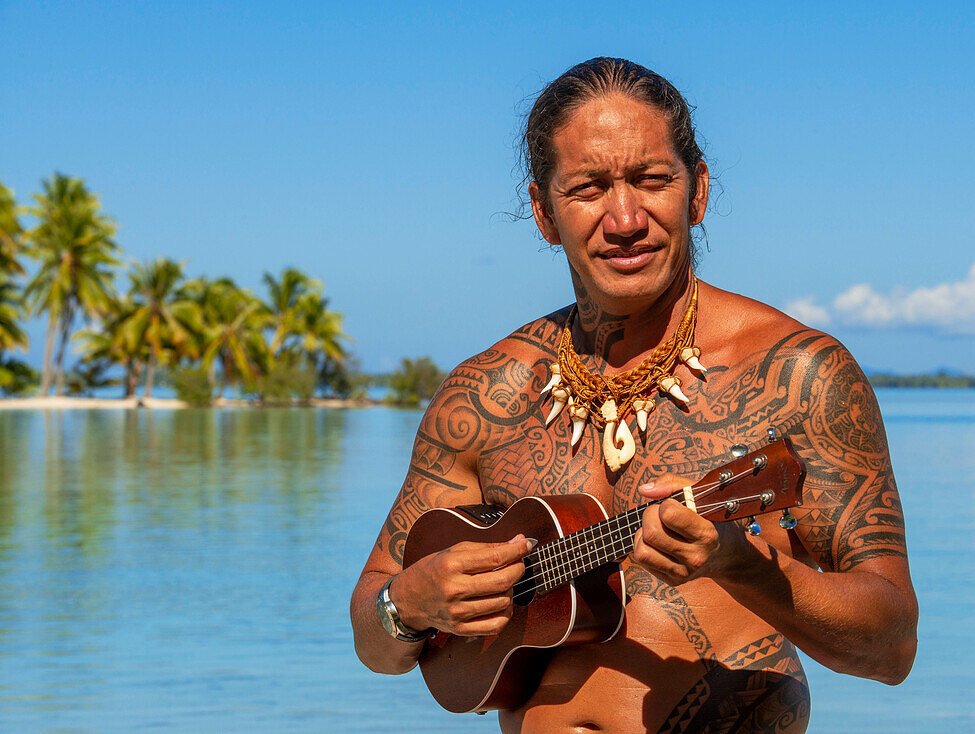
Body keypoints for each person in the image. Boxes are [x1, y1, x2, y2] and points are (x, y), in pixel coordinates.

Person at [351, 57, 918, 733]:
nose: (625, 219)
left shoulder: (798, 374)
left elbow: (893, 647)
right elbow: (374, 641)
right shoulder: (485, 396)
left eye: (652, 180)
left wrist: (746, 569)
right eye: (589, 188)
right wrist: (410, 604)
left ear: (698, 191)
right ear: (543, 212)